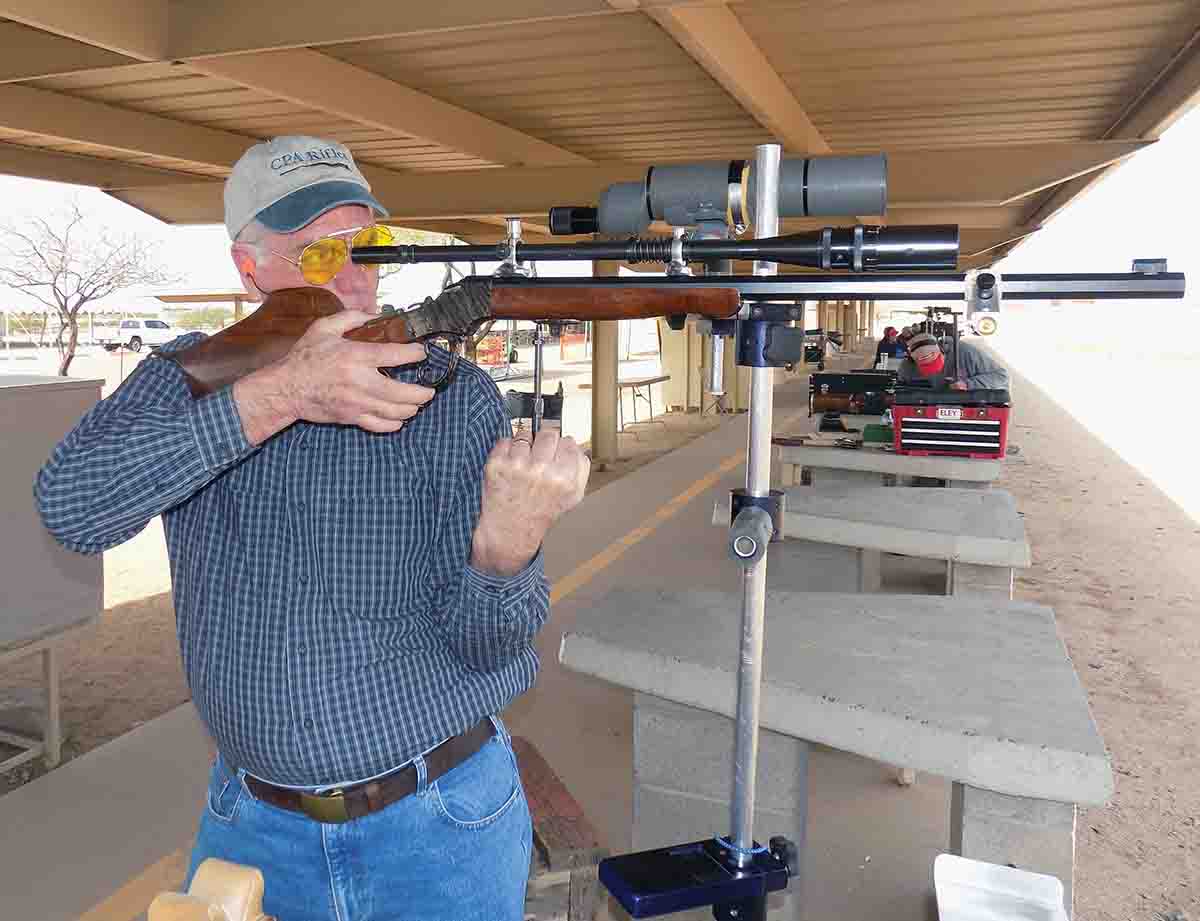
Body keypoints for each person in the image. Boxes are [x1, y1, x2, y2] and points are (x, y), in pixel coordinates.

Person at [33, 136, 590, 921]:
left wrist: (507, 549)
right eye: (322, 253)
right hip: (253, 829)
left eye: (369, 248)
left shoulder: (451, 395)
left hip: (441, 825)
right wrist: (278, 396)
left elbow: (489, 645)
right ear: (248, 266)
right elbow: (71, 506)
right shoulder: (195, 375)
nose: (356, 276)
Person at [898, 330, 1009, 391]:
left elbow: (1001, 376)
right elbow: (901, 390)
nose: (934, 371)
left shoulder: (965, 352)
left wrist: (968, 384)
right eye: (926, 366)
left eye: (934, 363)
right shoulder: (907, 366)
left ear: (942, 350)